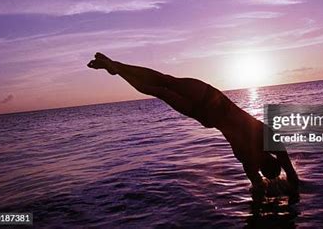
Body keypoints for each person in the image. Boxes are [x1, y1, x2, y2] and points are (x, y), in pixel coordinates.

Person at [87, 52, 299, 193]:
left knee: (164, 81)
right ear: (263, 164)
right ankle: (116, 69)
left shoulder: (265, 144)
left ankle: (115, 66)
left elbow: (287, 172)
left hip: (211, 99)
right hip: (205, 114)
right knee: (159, 90)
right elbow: (261, 186)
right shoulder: (247, 159)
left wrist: (286, 177)